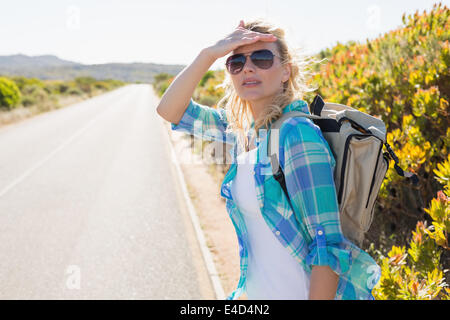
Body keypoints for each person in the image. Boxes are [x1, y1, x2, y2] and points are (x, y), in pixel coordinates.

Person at [156, 18, 381, 300]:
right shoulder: (244, 132)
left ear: (286, 71)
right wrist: (210, 53)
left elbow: (328, 246)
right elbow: (170, 110)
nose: (247, 67)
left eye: (262, 58)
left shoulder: (296, 134)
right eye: (236, 62)